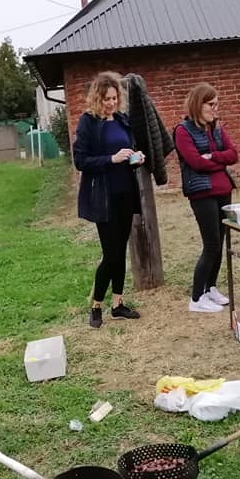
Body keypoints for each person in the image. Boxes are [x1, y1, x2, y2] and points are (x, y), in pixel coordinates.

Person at [73, 71, 145, 329]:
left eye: (114, 98)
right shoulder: (88, 122)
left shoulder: (122, 120)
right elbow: (80, 161)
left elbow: (128, 150)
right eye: (106, 99)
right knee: (111, 253)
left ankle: (117, 304)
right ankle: (96, 305)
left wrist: (135, 158)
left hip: (126, 192)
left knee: (121, 250)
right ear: (97, 98)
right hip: (103, 197)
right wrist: (111, 159)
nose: (111, 103)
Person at [174, 83, 239, 313]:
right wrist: (217, 161)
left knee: (219, 242)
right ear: (198, 104)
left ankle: (210, 287)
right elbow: (195, 162)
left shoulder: (216, 128)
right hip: (202, 192)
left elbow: (234, 154)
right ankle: (196, 298)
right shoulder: (183, 131)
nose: (215, 108)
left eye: (216, 104)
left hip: (223, 190)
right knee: (210, 244)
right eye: (211, 104)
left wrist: (213, 155)